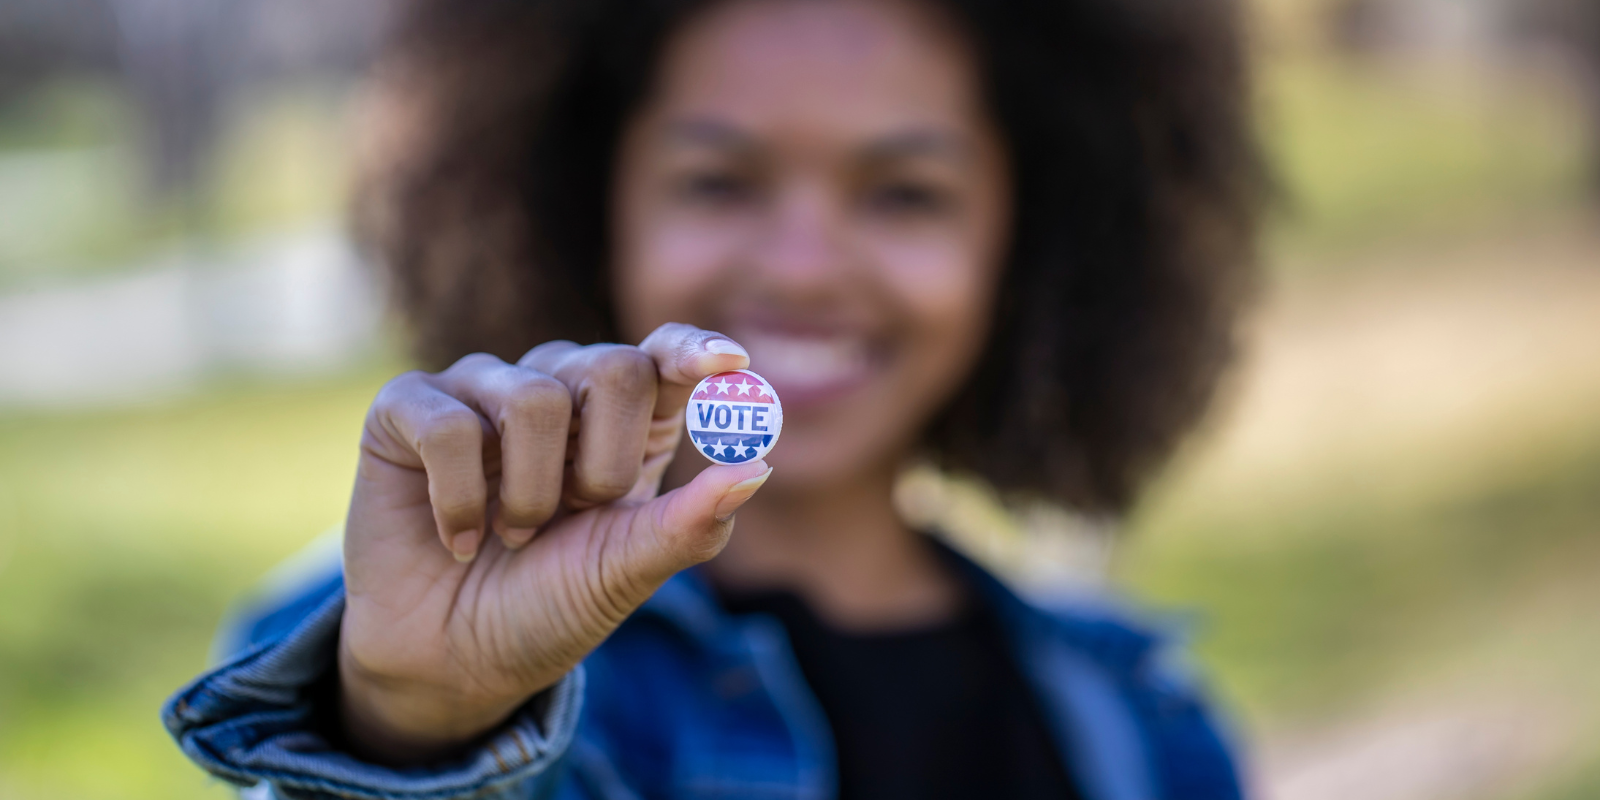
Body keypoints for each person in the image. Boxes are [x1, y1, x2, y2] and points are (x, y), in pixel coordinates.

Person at [163, 0, 1263, 797]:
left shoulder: (1148, 725)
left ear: (1029, 238)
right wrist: (417, 720)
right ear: (586, 204)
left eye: (904, 193)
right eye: (719, 181)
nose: (802, 267)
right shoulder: (389, 631)